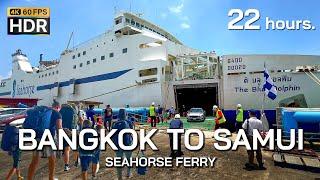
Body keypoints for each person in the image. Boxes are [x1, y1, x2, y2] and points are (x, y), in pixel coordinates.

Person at [27, 100, 62, 180]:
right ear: (58, 107)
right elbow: (59, 128)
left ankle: (29, 178)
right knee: (52, 158)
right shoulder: (57, 114)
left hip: (36, 137)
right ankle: (51, 177)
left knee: (35, 160)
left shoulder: (43, 111)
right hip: (48, 138)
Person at [112, 108, 134, 180]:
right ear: (126, 114)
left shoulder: (114, 123)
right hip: (127, 144)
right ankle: (128, 174)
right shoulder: (129, 122)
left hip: (118, 145)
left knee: (119, 160)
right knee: (128, 159)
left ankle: (119, 177)